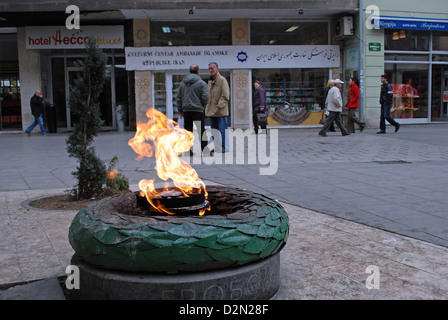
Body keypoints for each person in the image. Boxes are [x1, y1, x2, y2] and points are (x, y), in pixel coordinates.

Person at [176, 64, 209, 152]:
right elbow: (206, 97)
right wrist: (202, 105)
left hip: (186, 110)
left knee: (187, 131)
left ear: (189, 72)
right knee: (201, 130)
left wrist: (180, 109)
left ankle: (187, 150)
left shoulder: (182, 84)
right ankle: (205, 150)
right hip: (198, 110)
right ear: (198, 71)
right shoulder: (201, 83)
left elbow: (178, 97)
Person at [205, 62, 230, 152]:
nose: (211, 70)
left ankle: (224, 148)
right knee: (214, 131)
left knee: (222, 130)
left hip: (221, 112)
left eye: (212, 68)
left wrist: (218, 106)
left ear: (217, 69)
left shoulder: (222, 80)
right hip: (212, 112)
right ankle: (216, 147)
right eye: (209, 69)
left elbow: (225, 96)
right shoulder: (210, 81)